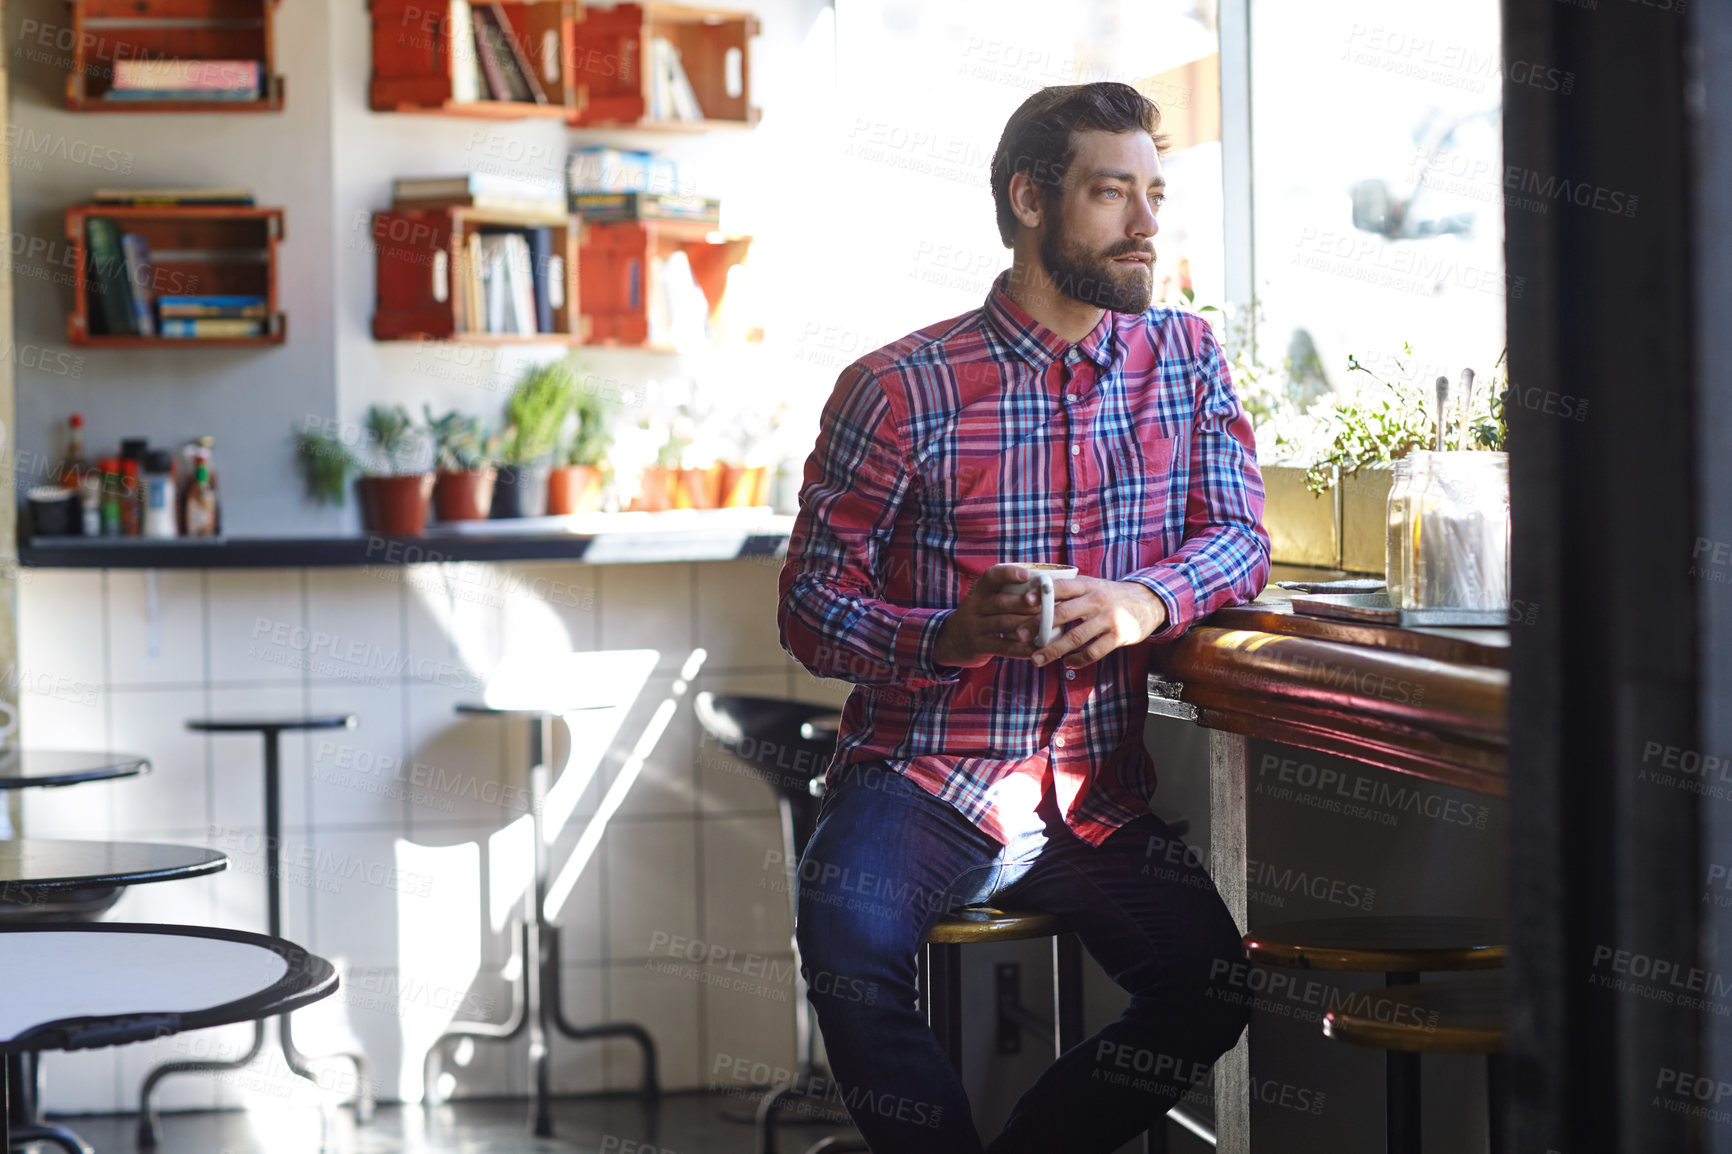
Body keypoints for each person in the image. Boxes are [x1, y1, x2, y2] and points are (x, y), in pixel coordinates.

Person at [777, 81, 1270, 1154]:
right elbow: (810, 607)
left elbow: (1239, 534)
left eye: (1154, 193)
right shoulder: (898, 386)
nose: (1146, 224)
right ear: (1030, 201)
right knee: (847, 946)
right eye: (1111, 193)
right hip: (922, 773)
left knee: (1214, 986)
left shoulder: (1182, 359)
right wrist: (947, 635)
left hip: (1090, 788)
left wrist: (1148, 598)